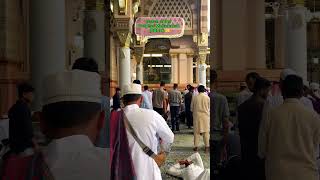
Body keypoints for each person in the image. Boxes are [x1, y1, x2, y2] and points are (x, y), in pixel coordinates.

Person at [258, 75, 320, 180]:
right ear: (301, 93)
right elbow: (315, 149)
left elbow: (262, 150)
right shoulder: (313, 116)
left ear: (282, 91)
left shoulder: (271, 115)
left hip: (278, 174)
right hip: (307, 174)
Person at [122, 83, 174, 180]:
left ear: (123, 100)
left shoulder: (113, 118)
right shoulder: (152, 115)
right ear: (141, 99)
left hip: (121, 170)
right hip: (148, 171)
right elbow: (170, 137)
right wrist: (161, 150)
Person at [238, 77, 271, 180]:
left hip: (246, 148)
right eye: (267, 90)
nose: (268, 93)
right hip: (259, 149)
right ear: (262, 90)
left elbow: (240, 128)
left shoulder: (243, 106)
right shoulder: (265, 106)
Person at [209, 70, 230, 170]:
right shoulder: (221, 98)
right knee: (216, 165)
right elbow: (225, 122)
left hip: (206, 136)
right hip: (217, 137)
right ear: (216, 81)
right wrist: (225, 141)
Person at [8, 83, 37, 156]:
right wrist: (36, 145)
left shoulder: (14, 107)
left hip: (15, 147)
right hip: (24, 148)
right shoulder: (24, 108)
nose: (33, 96)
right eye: (32, 94)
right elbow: (28, 129)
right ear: (24, 94)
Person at [191, 85, 210, 153]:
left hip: (197, 117)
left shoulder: (195, 97)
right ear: (204, 90)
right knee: (206, 132)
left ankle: (196, 146)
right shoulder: (207, 97)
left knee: (196, 132)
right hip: (205, 117)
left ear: (198, 90)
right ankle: (207, 147)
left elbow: (191, 108)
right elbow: (209, 108)